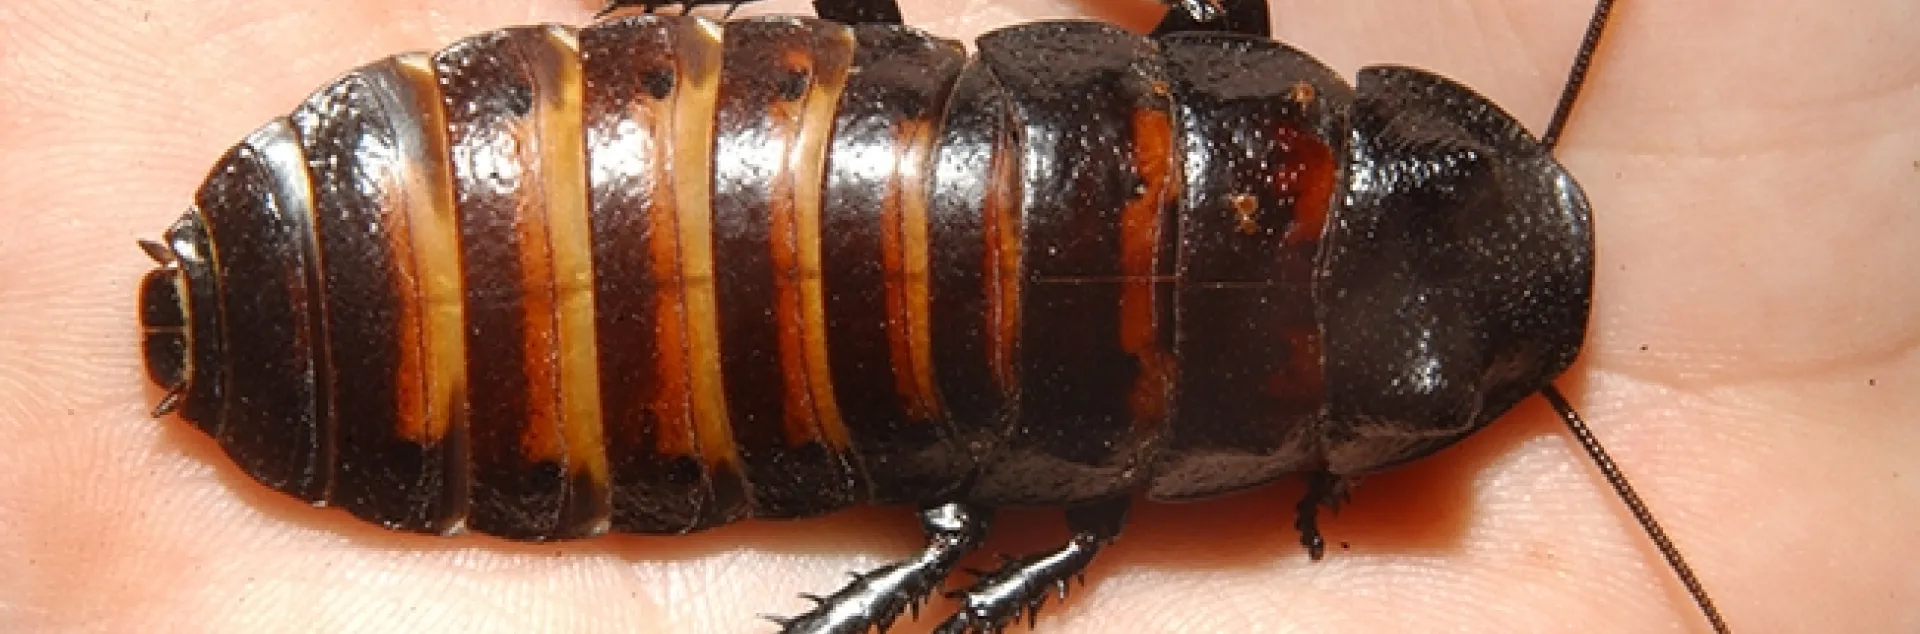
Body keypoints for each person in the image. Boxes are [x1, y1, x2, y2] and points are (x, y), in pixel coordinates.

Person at [0, 0, 1912, 631]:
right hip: (557, 275)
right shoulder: (1118, 487)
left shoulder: (1224, 88)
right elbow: (1032, 544)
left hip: (696, 142)